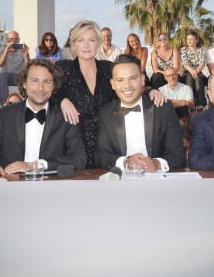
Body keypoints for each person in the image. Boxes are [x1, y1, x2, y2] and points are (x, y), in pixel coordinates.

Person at [52, 21, 165, 168]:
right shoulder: (63, 68)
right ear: (73, 44)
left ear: (99, 43)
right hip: (74, 146)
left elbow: (126, 90)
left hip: (107, 144)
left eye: (91, 40)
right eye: (81, 40)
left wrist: (152, 91)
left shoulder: (108, 68)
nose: (86, 45)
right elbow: (45, 92)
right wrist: (62, 100)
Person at [0, 58, 87, 178]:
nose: (40, 88)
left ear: (54, 86)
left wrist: (36, 166)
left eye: (47, 82)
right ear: (24, 83)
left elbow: (79, 158)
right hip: (12, 187)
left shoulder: (65, 116)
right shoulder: (6, 114)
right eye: (34, 81)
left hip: (52, 187)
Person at [96, 54, 185, 172]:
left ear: (143, 79)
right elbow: (101, 156)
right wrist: (125, 162)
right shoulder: (106, 113)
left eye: (133, 78)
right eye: (120, 80)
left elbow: (178, 155)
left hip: (157, 181)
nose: (127, 85)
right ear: (112, 84)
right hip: (120, 182)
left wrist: (157, 163)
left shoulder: (163, 108)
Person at [0, 30, 30, 106]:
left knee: (26, 76)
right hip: (7, 76)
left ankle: (25, 102)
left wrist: (26, 54)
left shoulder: (22, 50)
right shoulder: (3, 50)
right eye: (11, 39)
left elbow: (28, 66)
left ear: (19, 40)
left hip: (18, 77)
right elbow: (0, 64)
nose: (14, 41)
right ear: (7, 40)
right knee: (2, 76)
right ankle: (5, 104)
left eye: (16, 39)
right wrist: (6, 51)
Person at [180, 31, 207, 108]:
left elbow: (202, 63)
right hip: (186, 73)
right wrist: (192, 72)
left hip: (199, 73)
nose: (189, 41)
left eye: (191, 39)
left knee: (198, 77)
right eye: (188, 39)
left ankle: (201, 105)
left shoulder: (202, 50)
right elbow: (185, 63)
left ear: (197, 40)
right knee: (189, 77)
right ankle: (190, 103)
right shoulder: (183, 50)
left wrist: (196, 72)